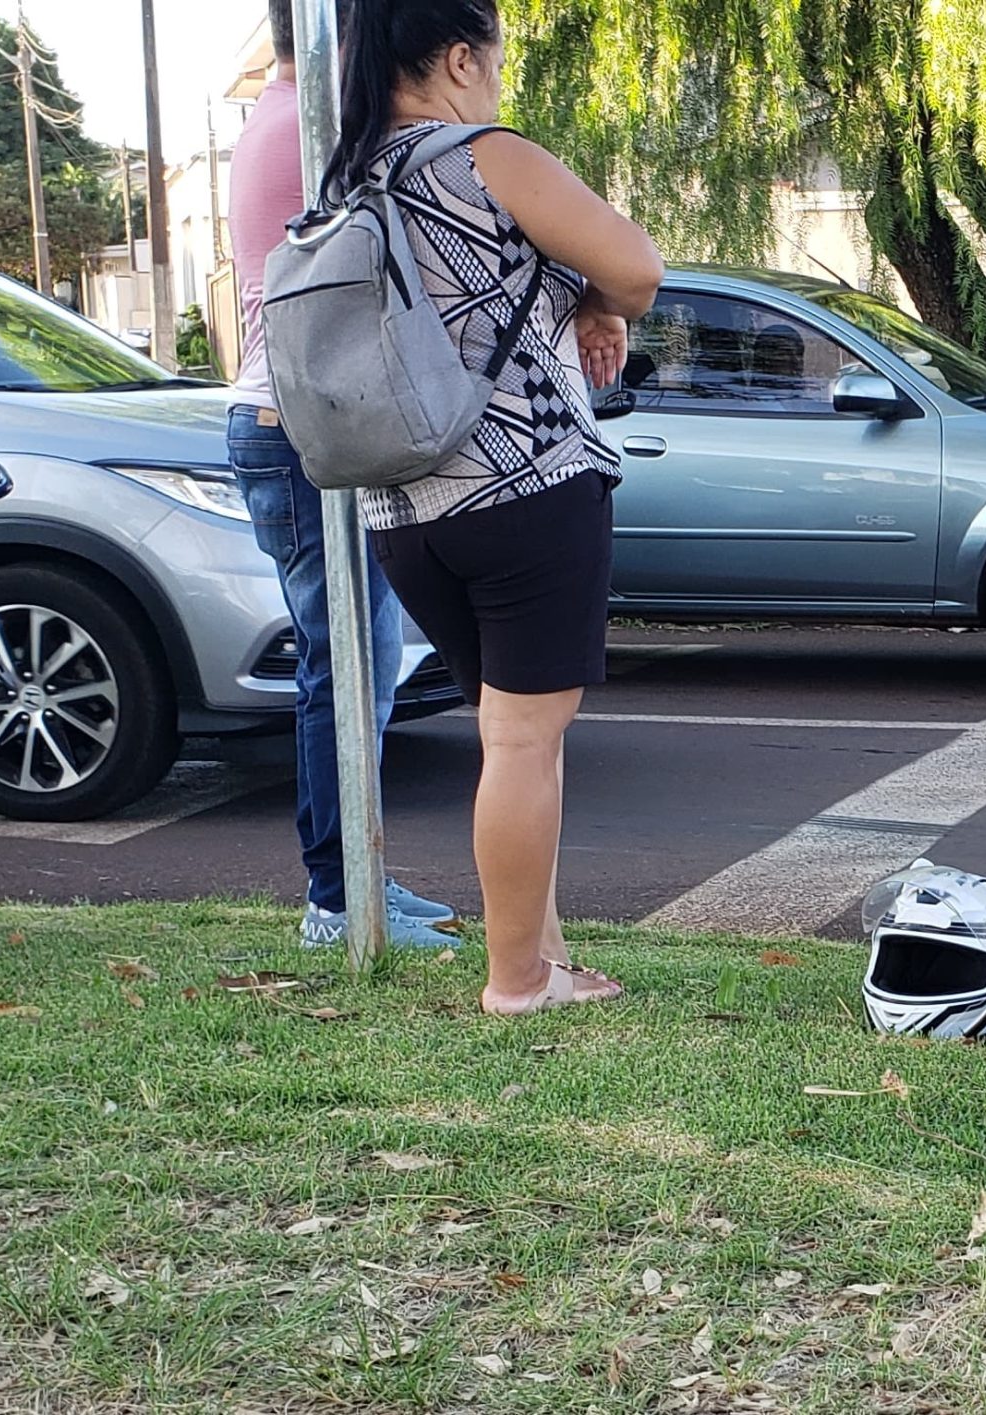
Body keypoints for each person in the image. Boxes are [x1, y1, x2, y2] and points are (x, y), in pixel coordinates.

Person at [325, 0, 664, 1014]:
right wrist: (606, 298)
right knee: (523, 741)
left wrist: (586, 299)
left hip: (401, 511)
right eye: (497, 60)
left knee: (515, 736)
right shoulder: (482, 154)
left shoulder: (348, 177)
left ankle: (545, 954)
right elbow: (637, 266)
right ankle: (516, 977)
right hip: (524, 484)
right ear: (461, 58)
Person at [228, 0, 456, 951]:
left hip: (289, 426)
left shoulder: (277, 121)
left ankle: (356, 878)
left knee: (358, 671)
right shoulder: (316, 131)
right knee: (346, 674)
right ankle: (337, 897)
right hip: (298, 433)